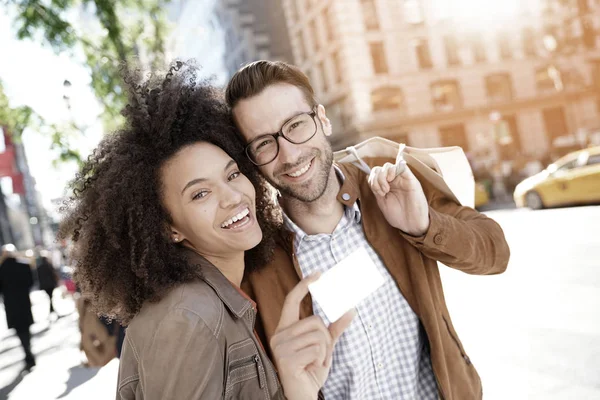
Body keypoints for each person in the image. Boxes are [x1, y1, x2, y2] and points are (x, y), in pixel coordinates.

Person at [58, 60, 353, 400]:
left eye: (231, 175)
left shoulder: (225, 297)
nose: (232, 197)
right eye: (201, 194)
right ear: (169, 228)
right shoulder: (187, 318)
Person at [226, 60, 511, 400]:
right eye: (264, 144)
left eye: (296, 125)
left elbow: (496, 253)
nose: (289, 153)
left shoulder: (394, 183)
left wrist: (424, 225)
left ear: (323, 118)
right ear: (251, 160)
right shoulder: (256, 261)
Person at [0, 244, 36, 370]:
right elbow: (31, 282)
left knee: (20, 330)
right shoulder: (24, 265)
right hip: (24, 302)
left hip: (11, 305)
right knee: (26, 327)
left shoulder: (1, 269)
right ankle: (28, 351)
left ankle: (27, 351)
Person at [36, 253, 59, 317]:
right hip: (50, 284)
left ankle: (51, 309)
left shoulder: (39, 267)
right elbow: (53, 274)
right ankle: (51, 308)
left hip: (45, 285)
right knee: (50, 297)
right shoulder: (49, 265)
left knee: (50, 297)